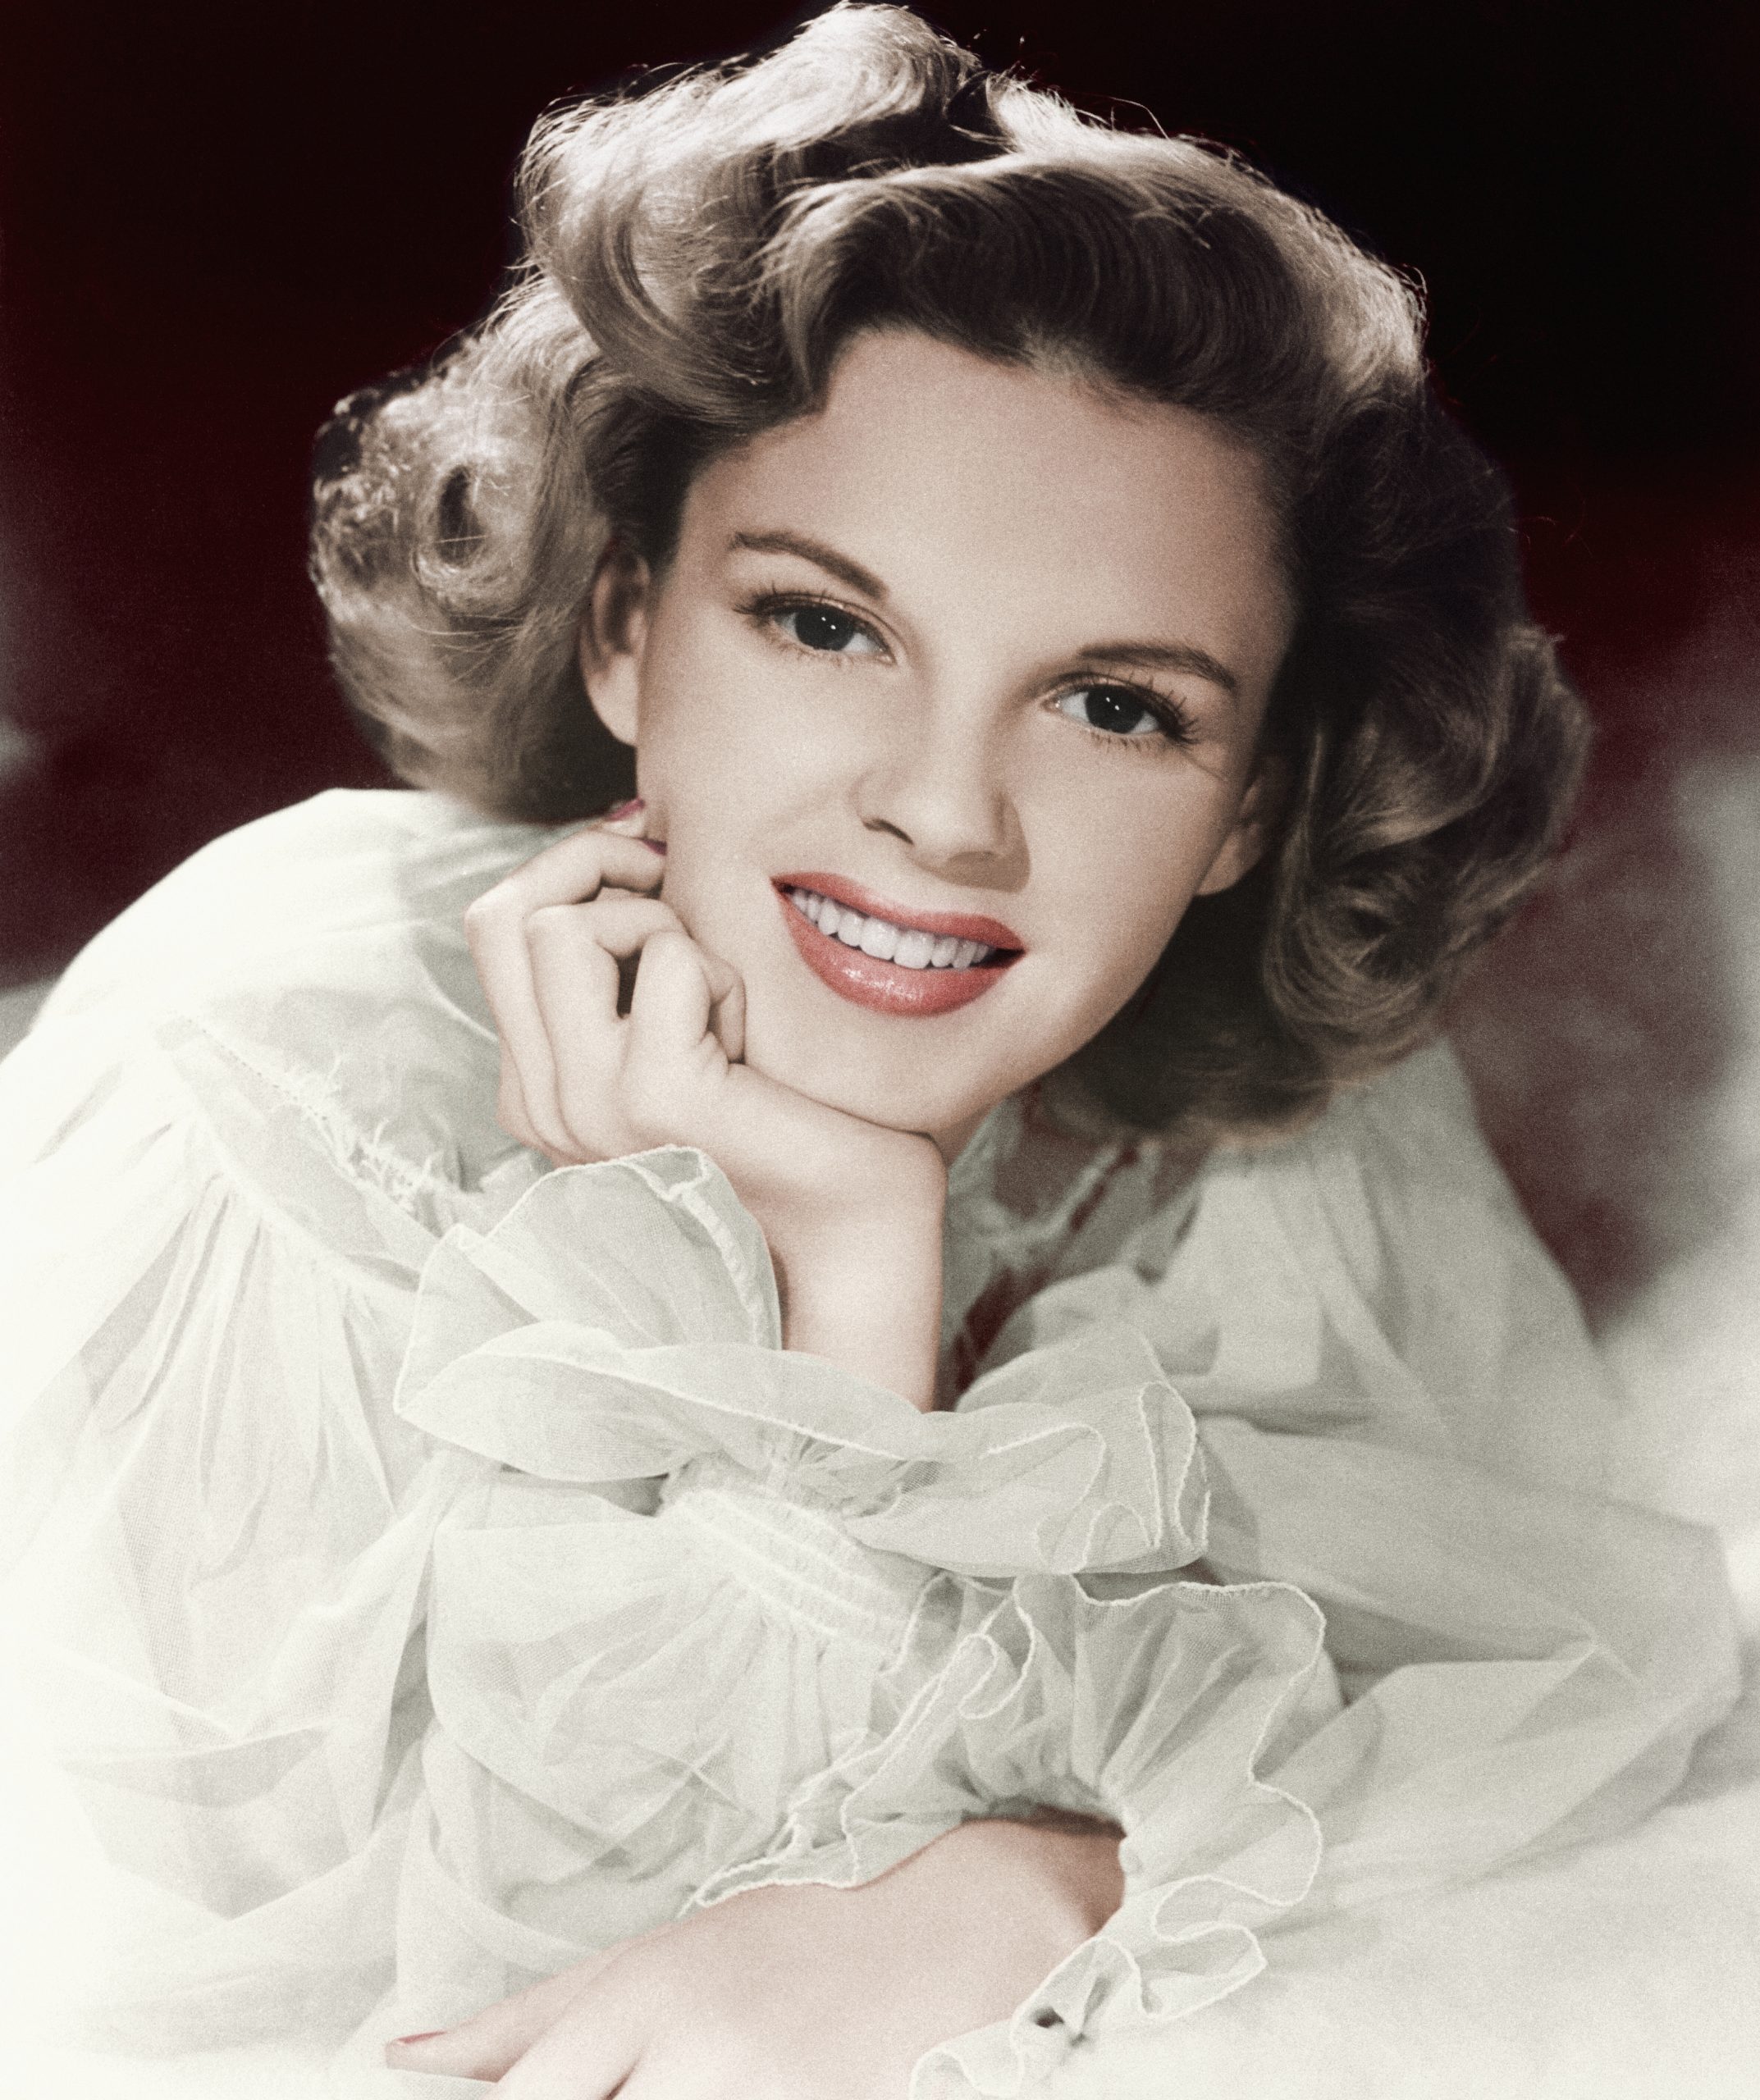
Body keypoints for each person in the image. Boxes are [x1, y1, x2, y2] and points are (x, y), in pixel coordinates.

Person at [0, 6, 1739, 2095]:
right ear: (622, 624)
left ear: (1250, 807)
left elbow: (1525, 1745)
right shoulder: (269, 1098)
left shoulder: (1265, 1155)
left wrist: (1040, 1883)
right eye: (825, 624)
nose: (944, 813)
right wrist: (804, 1270)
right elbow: (486, 2036)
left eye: (1114, 705)